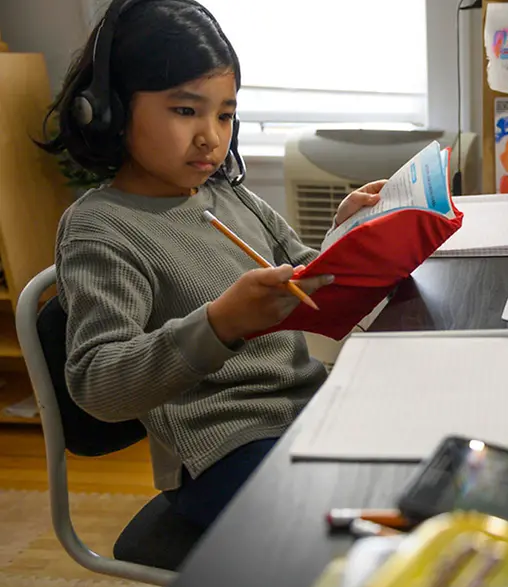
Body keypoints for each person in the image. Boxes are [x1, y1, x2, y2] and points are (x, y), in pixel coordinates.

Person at [37, 0, 384, 529]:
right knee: (352, 534)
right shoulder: (100, 229)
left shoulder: (227, 195)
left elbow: (309, 279)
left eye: (224, 114)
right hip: (220, 452)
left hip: (305, 409)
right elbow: (97, 385)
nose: (212, 137)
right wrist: (221, 323)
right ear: (108, 110)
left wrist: (348, 231)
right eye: (185, 110)